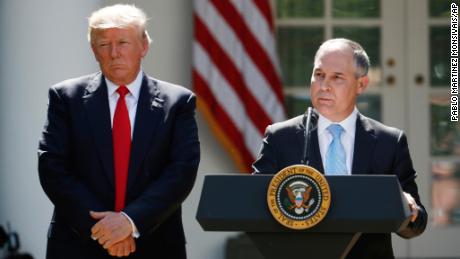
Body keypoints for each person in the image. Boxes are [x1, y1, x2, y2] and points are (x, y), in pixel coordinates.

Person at [38, 4, 200, 259]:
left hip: (154, 243)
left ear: (144, 46)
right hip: (79, 242)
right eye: (104, 45)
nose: (114, 53)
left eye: (123, 42)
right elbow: (53, 168)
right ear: (94, 51)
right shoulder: (66, 98)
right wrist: (104, 230)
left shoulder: (178, 102)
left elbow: (181, 172)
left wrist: (129, 221)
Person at [252, 38, 427, 258]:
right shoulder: (280, 137)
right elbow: (254, 207)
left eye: (337, 77)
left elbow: (417, 224)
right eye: (319, 74)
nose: (324, 85)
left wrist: (407, 210)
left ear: (361, 84)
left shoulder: (389, 142)